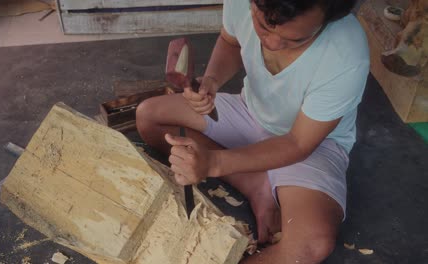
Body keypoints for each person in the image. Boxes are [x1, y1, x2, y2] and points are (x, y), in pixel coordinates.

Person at [136, 0, 369, 262]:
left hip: (313, 143)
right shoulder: (241, 2)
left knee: (309, 245)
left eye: (295, 39)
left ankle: (261, 182)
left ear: (327, 19)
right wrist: (212, 79)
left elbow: (297, 143)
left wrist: (213, 163)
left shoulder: (346, 53)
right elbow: (231, 41)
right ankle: (257, 185)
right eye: (263, 26)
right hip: (250, 112)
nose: (272, 44)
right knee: (149, 116)